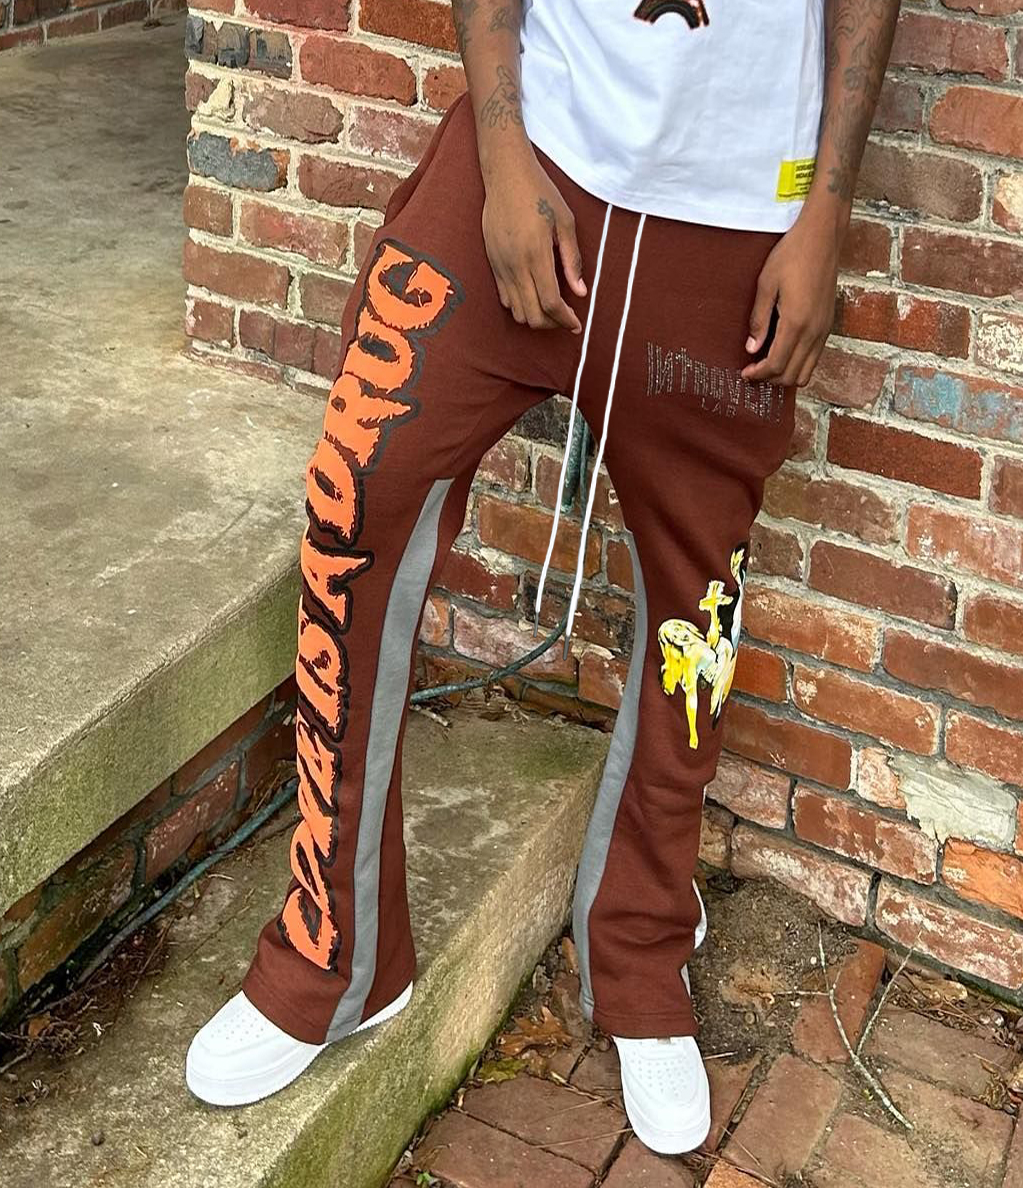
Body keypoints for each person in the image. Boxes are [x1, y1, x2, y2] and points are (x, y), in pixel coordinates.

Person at [185, 0, 899, 1154]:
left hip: (739, 214)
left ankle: (640, 949)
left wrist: (827, 215)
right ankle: (338, 950)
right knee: (360, 493)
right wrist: (503, 159)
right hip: (536, 160)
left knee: (695, 610)